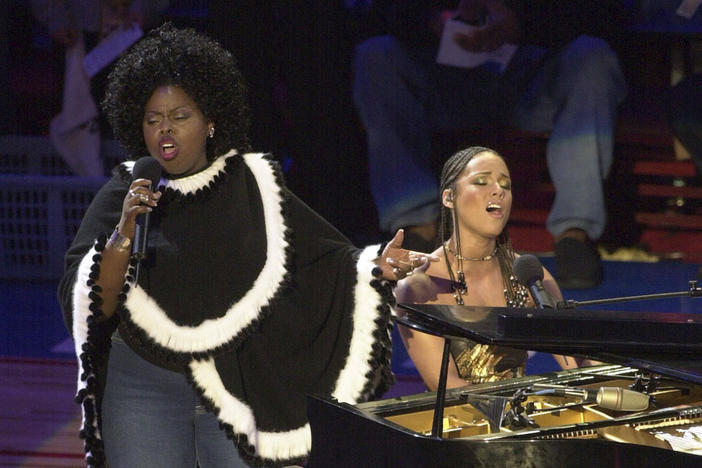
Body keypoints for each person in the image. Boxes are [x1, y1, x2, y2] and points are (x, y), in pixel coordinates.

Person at [58, 24, 432, 468]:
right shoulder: (127, 189)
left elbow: (323, 261)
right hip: (141, 384)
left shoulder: (253, 184)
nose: (165, 131)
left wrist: (375, 265)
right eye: (153, 119)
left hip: (234, 382)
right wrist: (123, 234)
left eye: (180, 116)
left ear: (210, 120)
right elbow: (86, 299)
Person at [353, 0, 628, 289]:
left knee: (593, 57)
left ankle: (575, 232)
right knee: (374, 54)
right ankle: (416, 224)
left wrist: (519, 21)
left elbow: (604, 16)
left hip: (530, 76)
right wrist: (431, 19)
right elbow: (375, 15)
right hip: (437, 78)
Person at [395, 146, 592, 390]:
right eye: (482, 181)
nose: (498, 190)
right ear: (449, 198)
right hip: (459, 422)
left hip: (524, 418)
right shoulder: (420, 286)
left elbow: (574, 364)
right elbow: (445, 385)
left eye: (505, 185)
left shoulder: (528, 274)